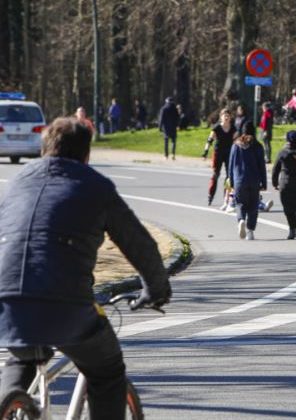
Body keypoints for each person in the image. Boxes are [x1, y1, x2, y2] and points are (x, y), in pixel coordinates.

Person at [0, 117, 171, 420]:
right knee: (107, 372)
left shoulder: (18, 182)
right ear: (86, 154)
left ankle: (6, 402)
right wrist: (156, 289)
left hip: (6, 301)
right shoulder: (96, 187)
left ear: (44, 149)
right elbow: (139, 244)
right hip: (66, 304)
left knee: (21, 354)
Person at [229, 132, 268, 241]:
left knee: (240, 203)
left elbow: (231, 165)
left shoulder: (235, 146)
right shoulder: (258, 146)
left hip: (239, 181)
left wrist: (231, 181)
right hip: (254, 180)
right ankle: (250, 231)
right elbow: (262, 165)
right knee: (253, 205)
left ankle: (241, 219)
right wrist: (264, 183)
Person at [203, 108, 236, 206]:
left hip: (229, 154)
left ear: (230, 118)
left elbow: (236, 141)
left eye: (228, 115)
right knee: (215, 175)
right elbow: (209, 140)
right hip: (218, 153)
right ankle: (210, 195)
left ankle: (226, 197)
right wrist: (205, 151)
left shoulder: (233, 128)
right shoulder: (217, 127)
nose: (226, 117)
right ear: (221, 117)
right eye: (224, 115)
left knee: (229, 177)